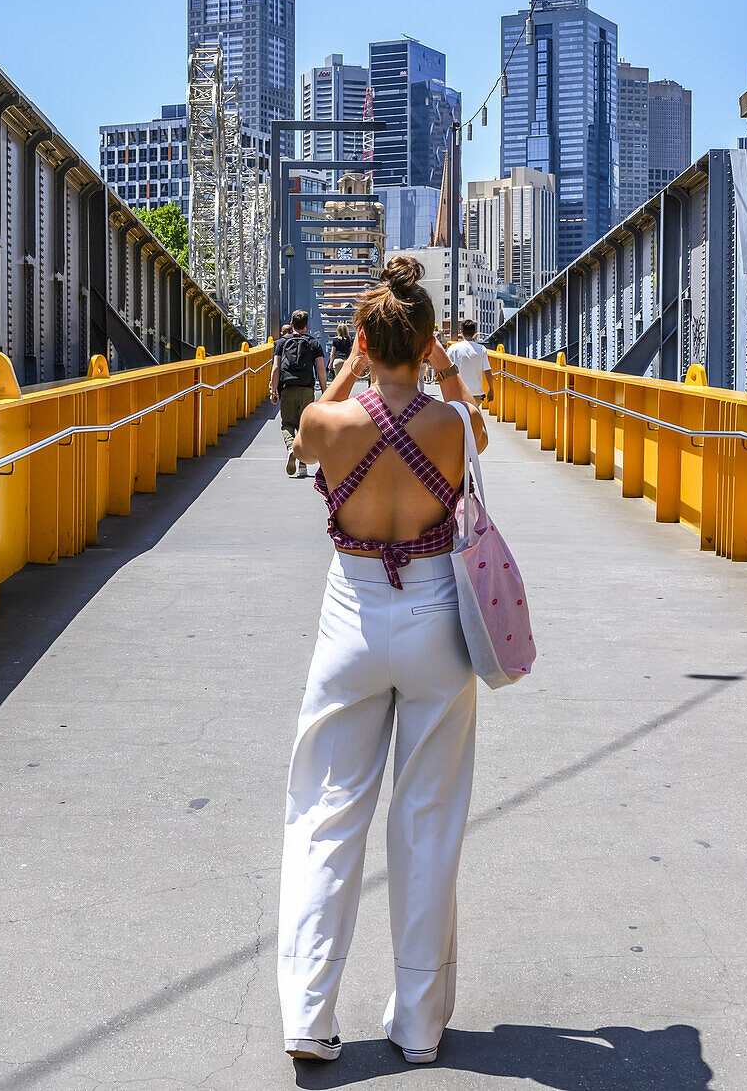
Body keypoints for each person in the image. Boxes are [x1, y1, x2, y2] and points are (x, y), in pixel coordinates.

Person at [277, 256, 489, 1066]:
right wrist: (440, 368)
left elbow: (305, 438)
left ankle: (308, 1015)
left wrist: (353, 371)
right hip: (438, 616)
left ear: (362, 340)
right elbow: (476, 429)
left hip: (352, 618)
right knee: (428, 819)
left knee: (327, 815)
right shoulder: (449, 424)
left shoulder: (332, 426)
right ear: (429, 340)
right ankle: (418, 1024)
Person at [270, 310, 327, 478]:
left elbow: (276, 368)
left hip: (287, 387)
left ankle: (290, 449)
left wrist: (274, 390)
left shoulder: (281, 343)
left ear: (292, 324)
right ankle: (302, 464)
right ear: (307, 325)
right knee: (305, 427)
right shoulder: (313, 343)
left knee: (287, 423)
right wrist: (324, 391)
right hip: (307, 389)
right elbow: (321, 368)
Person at [446, 319, 495, 406]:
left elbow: (446, 369)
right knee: (473, 417)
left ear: (461, 332)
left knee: (460, 417)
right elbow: (487, 370)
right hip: (476, 392)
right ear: (475, 332)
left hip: (458, 392)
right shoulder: (481, 349)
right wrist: (491, 389)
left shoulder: (453, 348)